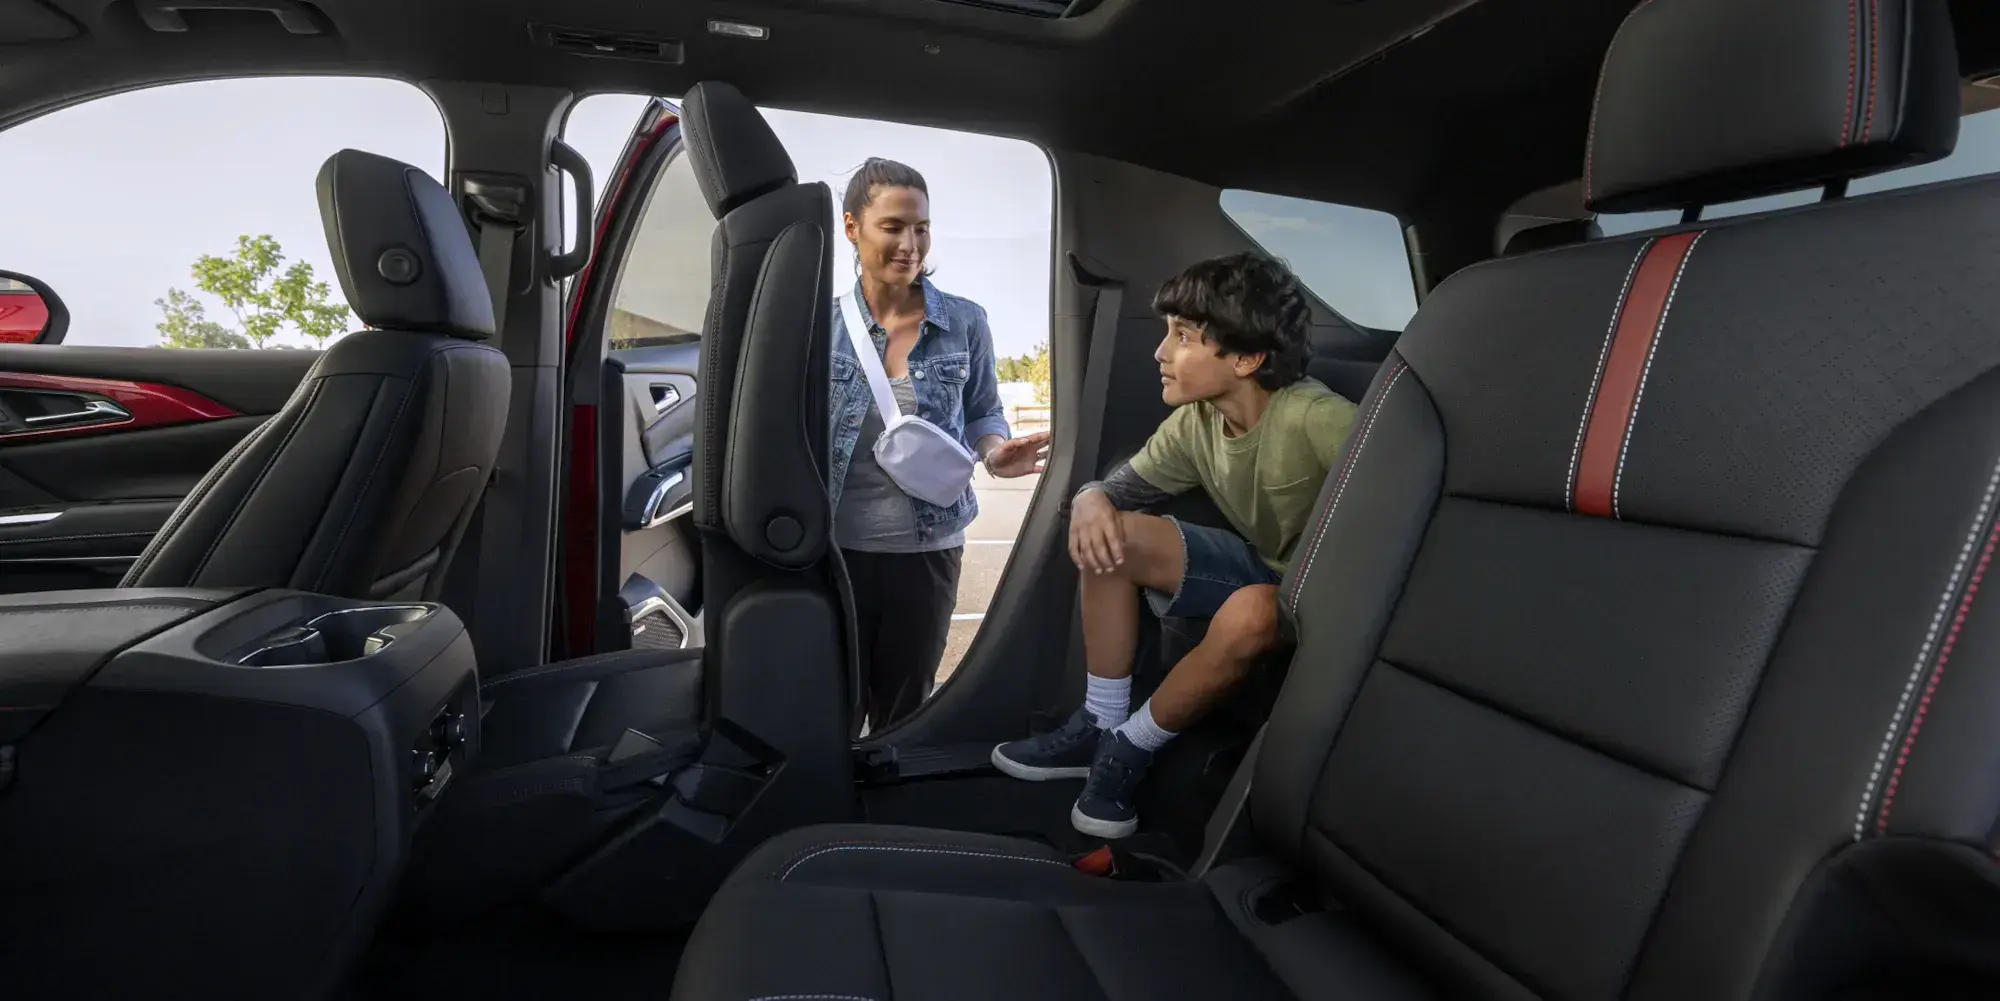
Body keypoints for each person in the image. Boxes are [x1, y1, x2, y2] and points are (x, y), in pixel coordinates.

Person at [992, 250, 1357, 838]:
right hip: (1264, 567)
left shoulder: (1317, 418)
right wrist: (1089, 497)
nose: (1160, 353)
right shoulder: (1194, 424)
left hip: (1326, 598)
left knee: (1254, 610)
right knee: (1112, 532)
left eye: (1183, 337)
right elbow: (1114, 492)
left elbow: (1401, 508)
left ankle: (1129, 749)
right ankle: (1099, 723)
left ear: (1246, 358)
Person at [830, 157, 1050, 730]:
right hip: (835, 551)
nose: (911, 245)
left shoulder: (966, 322)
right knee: (831, 705)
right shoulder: (819, 327)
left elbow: (984, 410)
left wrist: (995, 452)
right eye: (893, 227)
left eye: (921, 228)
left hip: (929, 550)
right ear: (852, 227)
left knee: (904, 710)